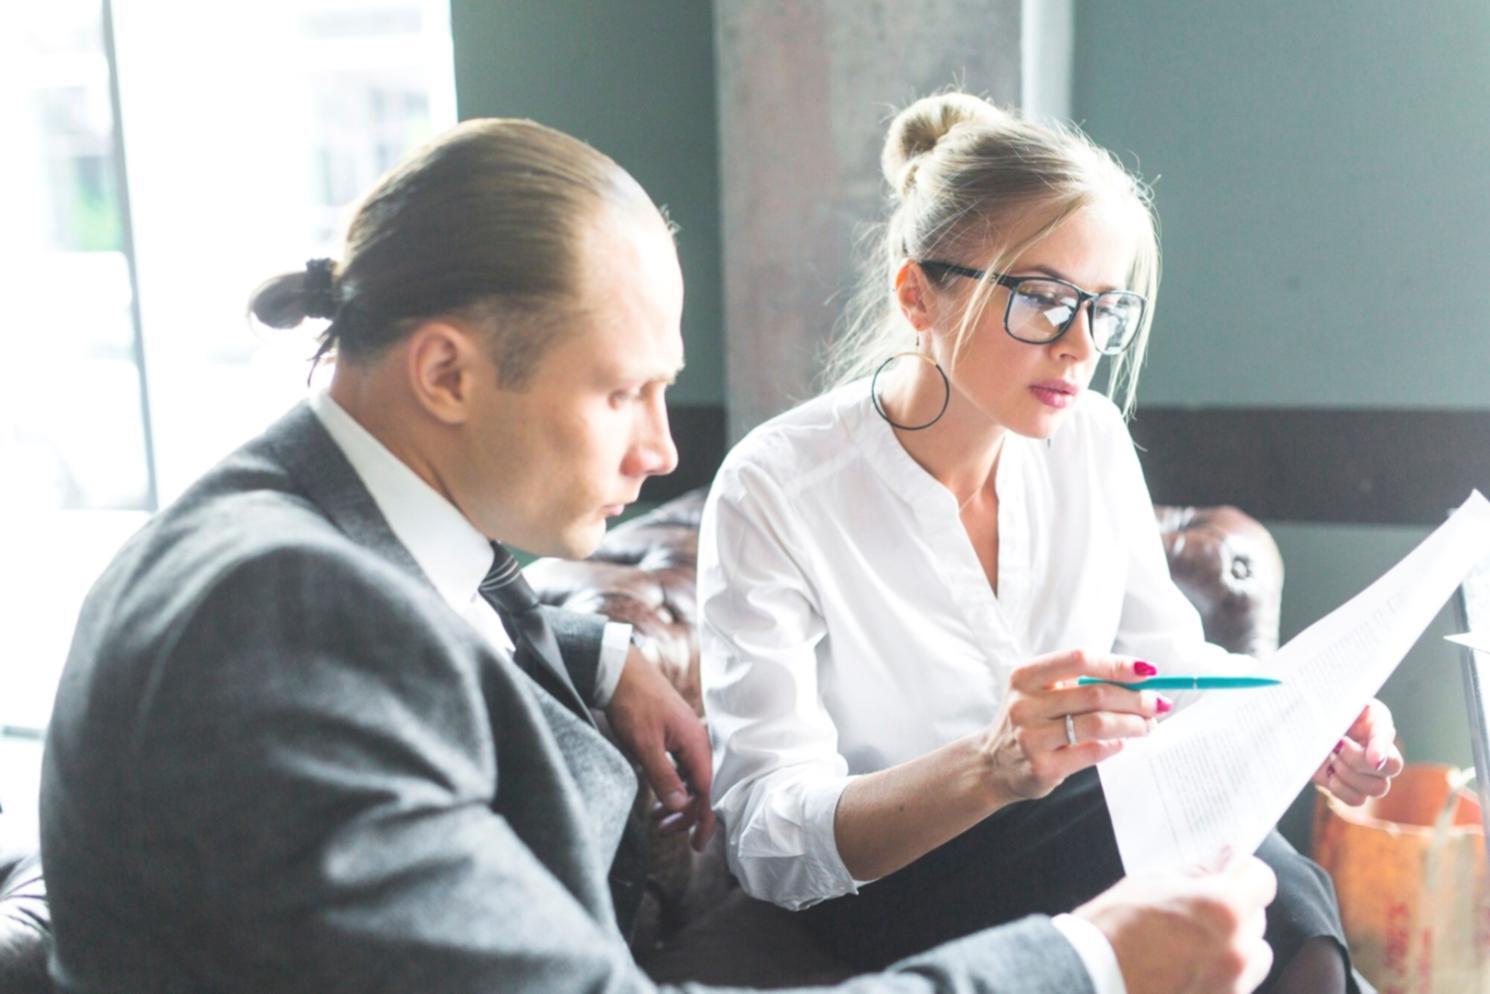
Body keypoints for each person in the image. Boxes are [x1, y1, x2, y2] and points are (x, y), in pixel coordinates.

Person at [41, 115, 1276, 994]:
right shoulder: (282, 624)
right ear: (446, 372)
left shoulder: (329, 532)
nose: (659, 450)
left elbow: (445, 610)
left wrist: (596, 649)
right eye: (622, 392)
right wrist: (1083, 962)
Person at [697, 92, 1402, 994]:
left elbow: (1168, 669)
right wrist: (991, 768)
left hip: (1078, 829)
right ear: (917, 295)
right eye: (1041, 299)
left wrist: (1301, 718)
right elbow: (767, 838)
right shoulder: (775, 487)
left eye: (1103, 308)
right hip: (889, 882)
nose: (1080, 346)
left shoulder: (1090, 439)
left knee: (1271, 895)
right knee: (1222, 875)